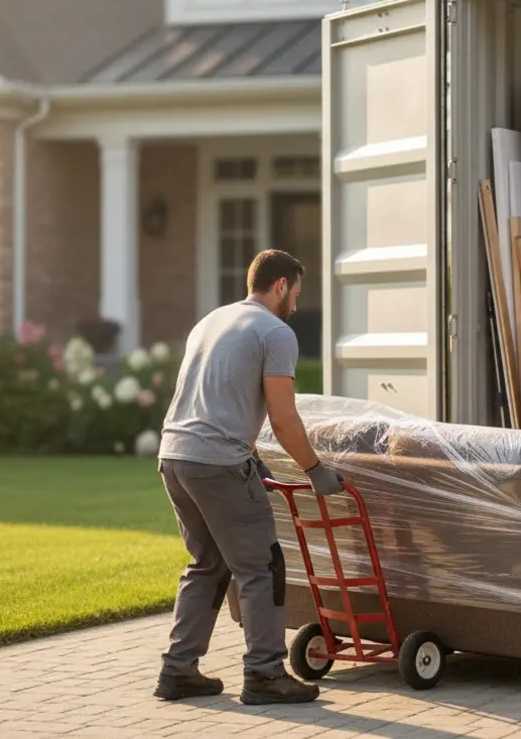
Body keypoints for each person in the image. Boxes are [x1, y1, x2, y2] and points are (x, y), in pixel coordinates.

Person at [154, 249, 344, 705]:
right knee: (261, 566)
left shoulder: (212, 321)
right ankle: (264, 674)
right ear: (280, 286)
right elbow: (283, 418)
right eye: (294, 294)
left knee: (208, 563)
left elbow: (219, 397)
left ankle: (178, 670)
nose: (296, 306)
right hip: (217, 463)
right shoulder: (275, 332)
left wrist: (252, 454)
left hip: (175, 456)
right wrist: (316, 471)